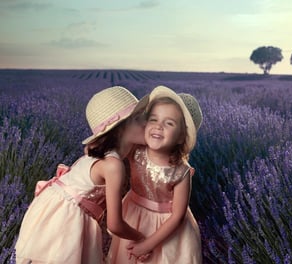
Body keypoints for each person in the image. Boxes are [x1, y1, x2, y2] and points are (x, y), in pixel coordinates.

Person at [15, 86, 148, 264]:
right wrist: (141, 238)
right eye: (139, 119)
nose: (147, 123)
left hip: (53, 210)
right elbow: (114, 225)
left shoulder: (101, 154)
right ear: (120, 128)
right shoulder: (113, 166)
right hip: (65, 221)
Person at [108, 86, 203, 263]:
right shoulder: (136, 150)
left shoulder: (181, 172)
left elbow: (177, 217)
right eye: (153, 119)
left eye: (169, 123)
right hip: (134, 216)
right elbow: (113, 147)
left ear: (181, 137)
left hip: (166, 228)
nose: (158, 126)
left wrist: (147, 244)